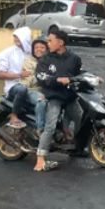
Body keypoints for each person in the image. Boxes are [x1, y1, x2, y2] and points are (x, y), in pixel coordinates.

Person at [34, 29, 83, 172]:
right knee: (50, 126)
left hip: (70, 97)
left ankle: (78, 148)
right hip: (54, 97)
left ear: (60, 43)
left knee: (81, 118)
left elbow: (79, 74)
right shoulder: (45, 59)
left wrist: (91, 78)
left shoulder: (74, 58)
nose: (47, 43)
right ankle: (40, 159)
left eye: (50, 40)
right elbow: (41, 77)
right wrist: (57, 79)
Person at [7, 36, 49, 142]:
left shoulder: (50, 62)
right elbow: (30, 80)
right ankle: (40, 130)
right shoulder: (29, 61)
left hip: (48, 91)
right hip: (32, 90)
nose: (39, 49)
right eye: (36, 47)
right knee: (42, 101)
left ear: (47, 49)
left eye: (42, 47)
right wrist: (42, 76)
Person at [0, 27, 33, 128]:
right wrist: (19, 74)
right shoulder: (6, 53)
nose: (16, 39)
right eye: (15, 37)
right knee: (22, 89)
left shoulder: (33, 52)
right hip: (14, 86)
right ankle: (14, 115)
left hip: (32, 85)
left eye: (19, 37)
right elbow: (0, 74)